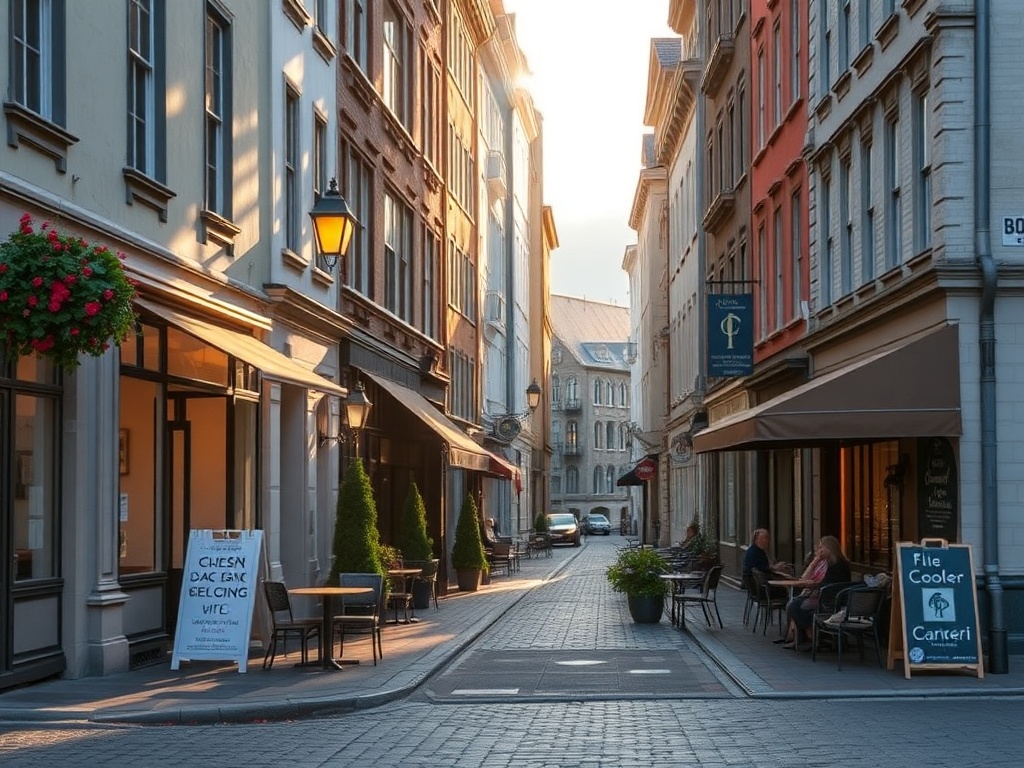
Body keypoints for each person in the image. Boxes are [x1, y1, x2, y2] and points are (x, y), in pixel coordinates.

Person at [779, 536, 851, 650]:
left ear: (830, 548)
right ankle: (806, 636)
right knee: (795, 603)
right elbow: (805, 578)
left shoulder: (837, 565)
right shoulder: (828, 563)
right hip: (826, 597)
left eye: (822, 547)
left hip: (829, 601)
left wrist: (814, 585)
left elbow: (828, 584)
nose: (820, 550)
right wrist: (815, 561)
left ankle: (808, 635)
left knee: (794, 606)